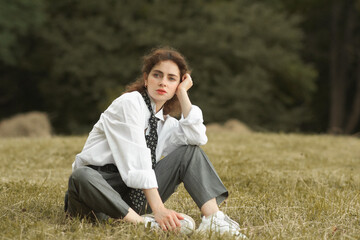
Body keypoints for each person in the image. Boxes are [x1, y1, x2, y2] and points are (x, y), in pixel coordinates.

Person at [64, 47, 246, 238]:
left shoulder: (165, 123)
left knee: (190, 152)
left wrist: (183, 94)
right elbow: (137, 158)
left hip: (133, 195)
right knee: (81, 175)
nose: (162, 83)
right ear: (146, 79)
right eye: (157, 75)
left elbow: (197, 137)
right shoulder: (129, 103)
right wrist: (159, 209)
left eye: (171, 78)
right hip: (96, 195)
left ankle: (213, 219)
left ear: (178, 84)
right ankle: (143, 224)